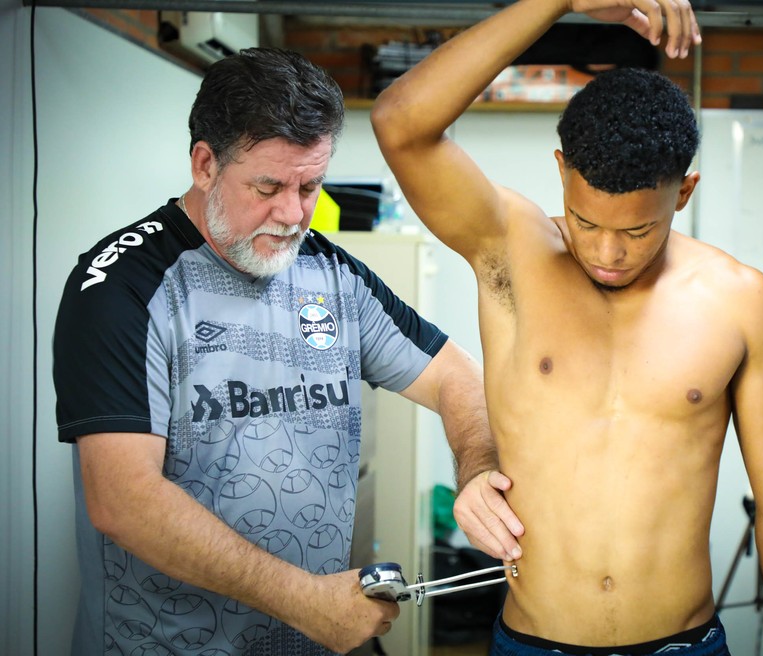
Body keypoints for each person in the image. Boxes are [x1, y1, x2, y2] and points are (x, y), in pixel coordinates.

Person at [371, 0, 763, 654]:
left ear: (684, 193)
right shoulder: (509, 251)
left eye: (637, 230)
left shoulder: (739, 299)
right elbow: (401, 123)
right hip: (535, 642)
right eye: (586, 222)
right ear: (561, 172)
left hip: (685, 645)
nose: (607, 254)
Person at [52, 47, 524, 656]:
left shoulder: (331, 275)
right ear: (204, 164)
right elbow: (123, 500)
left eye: (311, 185)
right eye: (269, 186)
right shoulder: (122, 287)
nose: (294, 213)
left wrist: (479, 469)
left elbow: (457, 379)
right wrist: (305, 600)